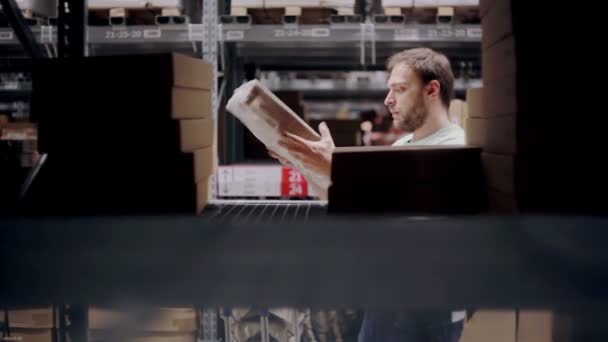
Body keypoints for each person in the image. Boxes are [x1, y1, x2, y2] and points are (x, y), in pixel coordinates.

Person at [268, 47, 466, 341]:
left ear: (432, 90)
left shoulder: (454, 147)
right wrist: (310, 166)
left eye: (399, 89)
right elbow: (366, 210)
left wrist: (339, 166)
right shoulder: (402, 147)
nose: (388, 100)